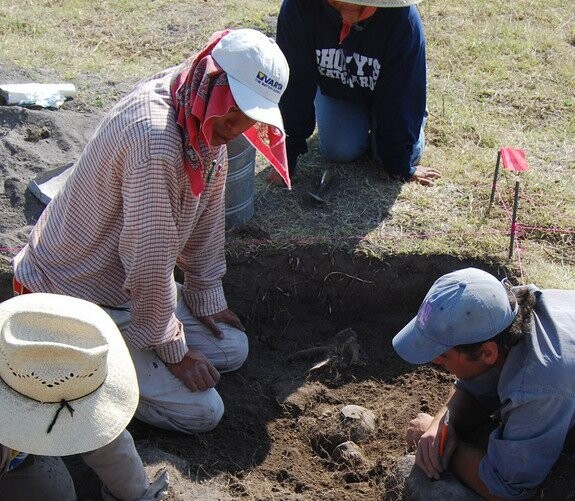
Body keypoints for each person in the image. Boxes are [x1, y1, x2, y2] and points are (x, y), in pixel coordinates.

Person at [13, 28, 290, 434]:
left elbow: (206, 221)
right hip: (76, 296)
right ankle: (93, 383)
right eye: (235, 109)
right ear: (213, 82)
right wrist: (174, 351)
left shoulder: (193, 104)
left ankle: (141, 352)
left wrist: (206, 294)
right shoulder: (156, 141)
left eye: (251, 115)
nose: (239, 125)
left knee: (231, 347)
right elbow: (149, 261)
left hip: (125, 288)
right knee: (203, 411)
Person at [392, 267, 575, 500]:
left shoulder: (538, 386)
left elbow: (507, 489)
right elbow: (475, 384)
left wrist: (450, 449)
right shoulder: (502, 312)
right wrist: (441, 423)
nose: (435, 361)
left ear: (487, 352)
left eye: (443, 355)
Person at [0, 292, 169, 500]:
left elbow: (106, 438)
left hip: (16, 451)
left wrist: (138, 495)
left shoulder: (76, 374)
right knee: (55, 494)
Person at [273, 0, 441, 187]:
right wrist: (286, 155)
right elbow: (294, 84)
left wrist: (400, 165)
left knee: (401, 154)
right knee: (338, 150)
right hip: (338, 87)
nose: (349, 13)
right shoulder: (299, 7)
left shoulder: (403, 20)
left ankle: (417, 111)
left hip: (393, 87)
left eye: (362, 5)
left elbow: (399, 100)